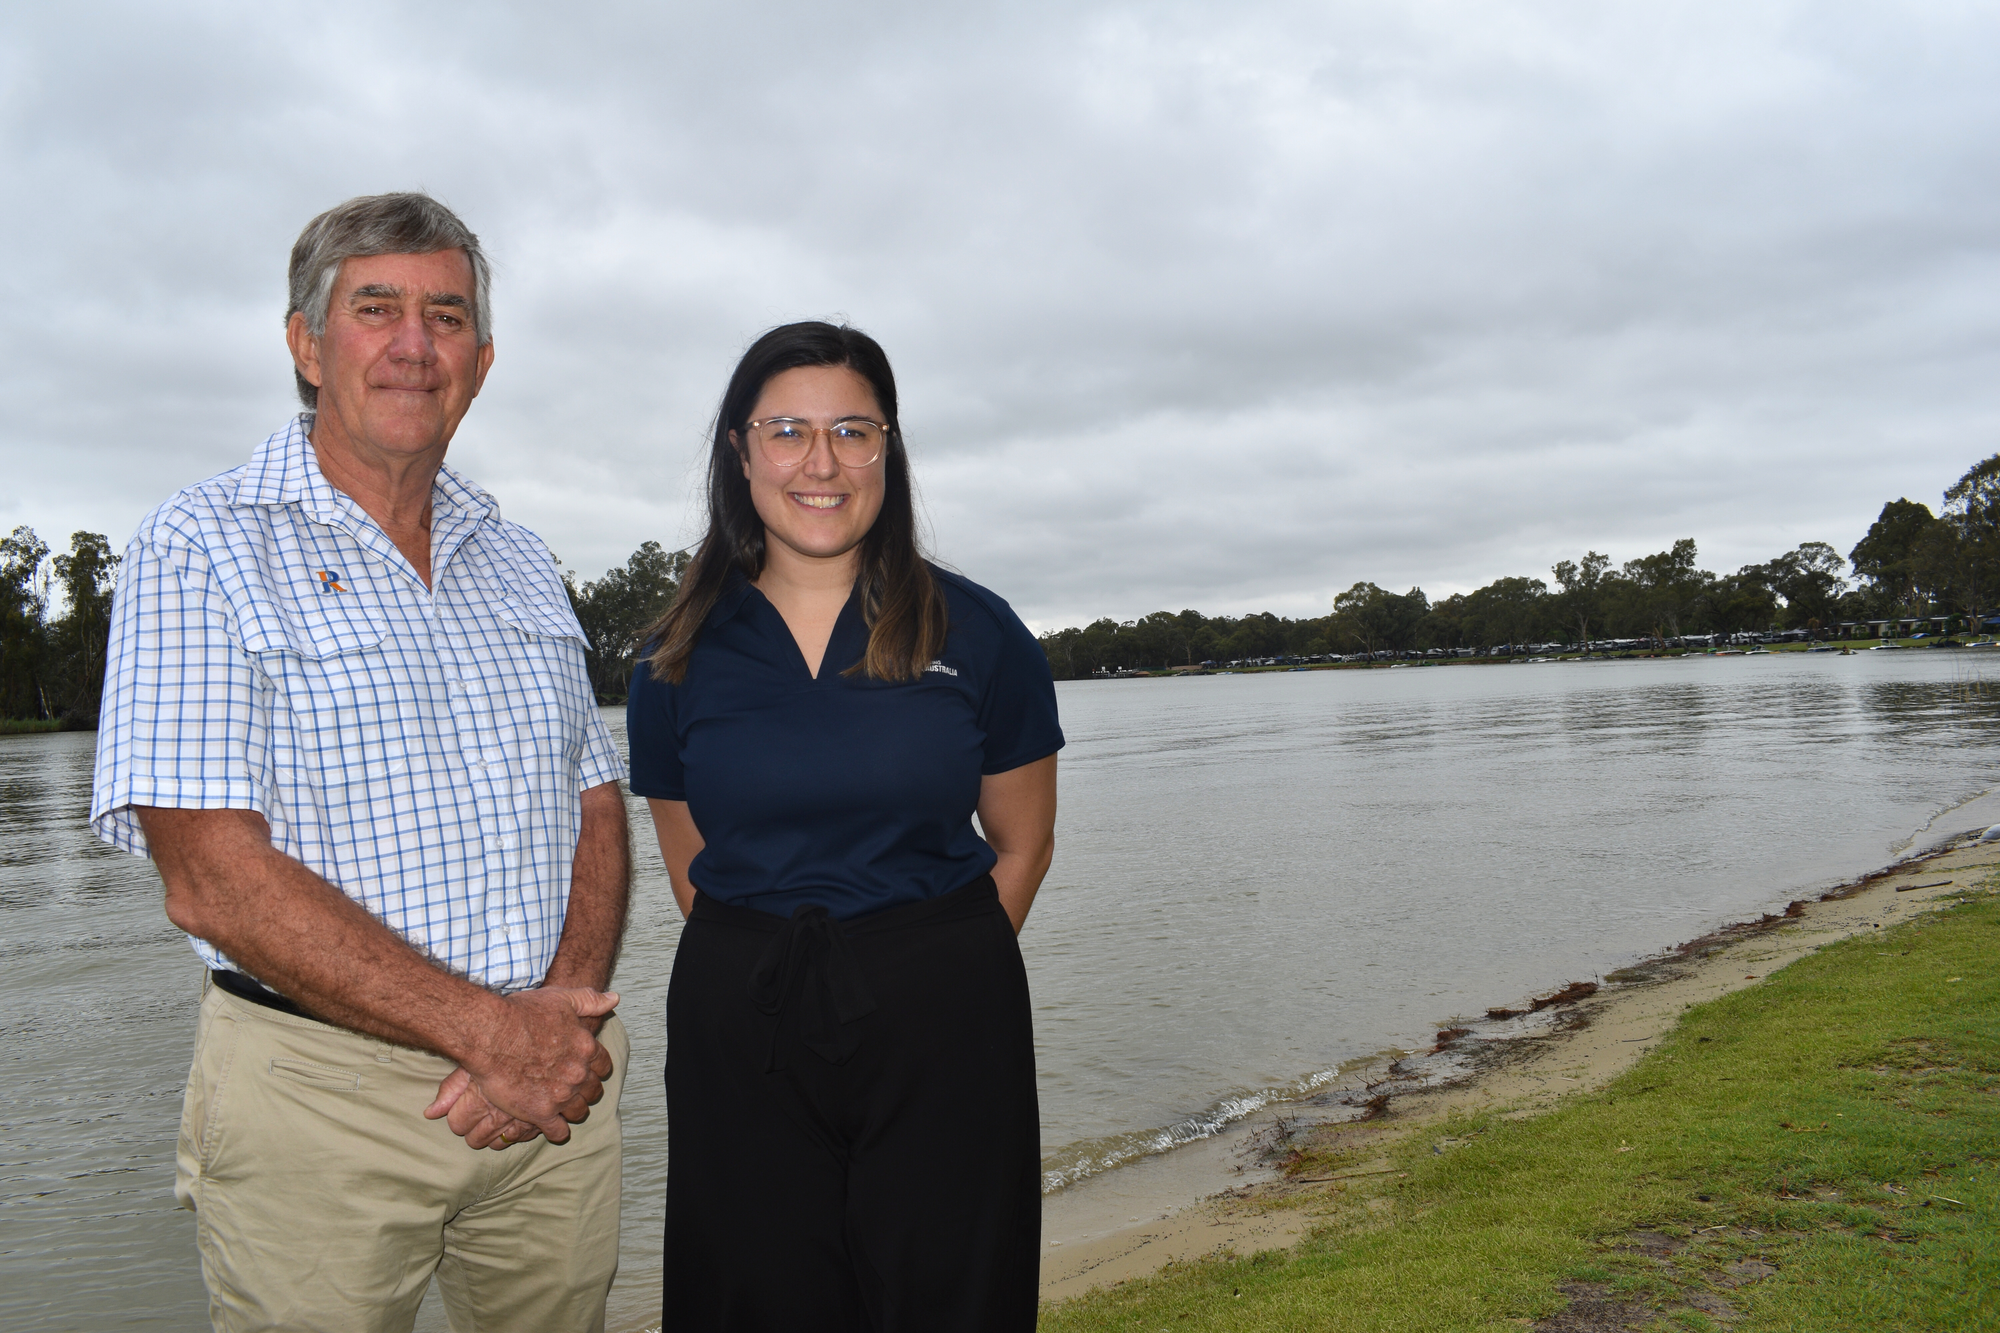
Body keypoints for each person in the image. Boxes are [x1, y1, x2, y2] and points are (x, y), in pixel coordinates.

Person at [89, 192, 632, 1333]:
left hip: (548, 1096)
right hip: (318, 1102)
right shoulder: (200, 544)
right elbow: (212, 878)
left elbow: (593, 802)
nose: (412, 344)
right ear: (305, 341)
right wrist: (492, 1037)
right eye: (374, 307)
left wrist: (560, 1019)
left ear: (480, 361)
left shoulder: (521, 558)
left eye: (444, 316)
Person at [628, 322, 1062, 1330]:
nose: (819, 461)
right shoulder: (672, 655)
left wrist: (934, 966)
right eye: (786, 429)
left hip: (946, 1006)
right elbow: (692, 865)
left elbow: (1023, 842)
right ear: (739, 453)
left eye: (852, 431)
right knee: (757, 1292)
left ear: (887, 451)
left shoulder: (980, 630)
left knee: (950, 1288)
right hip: (743, 1015)